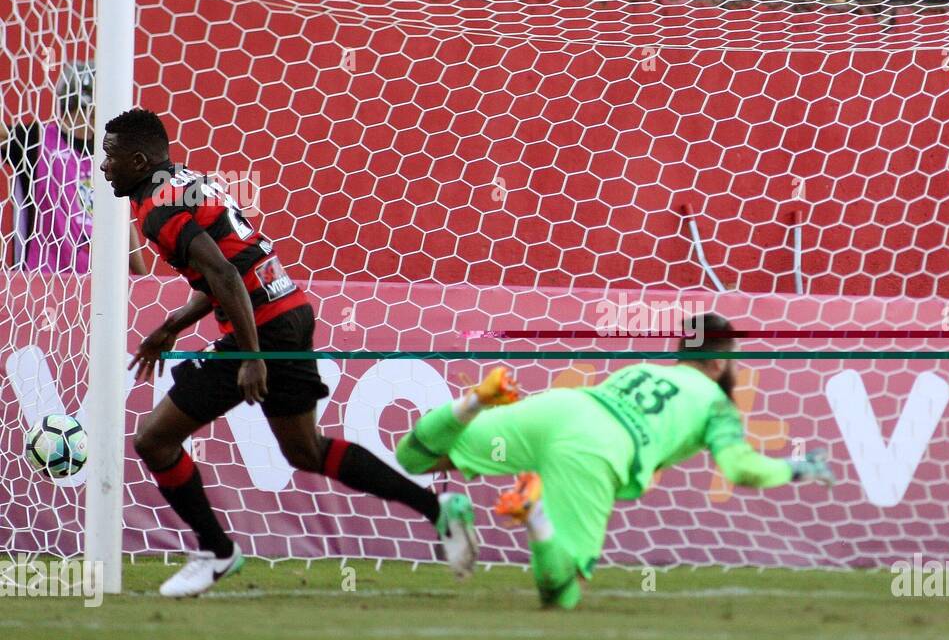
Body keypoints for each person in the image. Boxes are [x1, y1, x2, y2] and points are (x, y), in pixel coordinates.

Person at [101, 107, 473, 597]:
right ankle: (438, 510)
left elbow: (227, 277)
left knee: (153, 440)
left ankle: (216, 550)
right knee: (304, 449)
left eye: (110, 156)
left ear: (139, 158)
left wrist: (251, 357)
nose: (103, 167)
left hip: (260, 329)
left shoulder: (157, 209)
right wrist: (171, 326)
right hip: (289, 309)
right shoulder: (187, 182)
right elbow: (234, 264)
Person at [394, 314, 834, 609]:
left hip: (563, 408)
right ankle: (536, 516)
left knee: (415, 457)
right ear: (720, 360)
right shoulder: (718, 407)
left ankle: (477, 398)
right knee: (562, 593)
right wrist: (798, 468)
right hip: (594, 448)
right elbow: (741, 469)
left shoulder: (646, 369)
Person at [2, 61, 145, 274]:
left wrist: (143, 277)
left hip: (96, 285)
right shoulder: (35, 139)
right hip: (39, 279)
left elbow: (120, 219)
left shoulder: (109, 154)